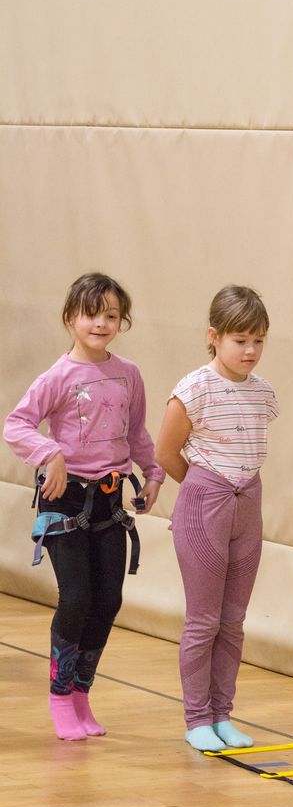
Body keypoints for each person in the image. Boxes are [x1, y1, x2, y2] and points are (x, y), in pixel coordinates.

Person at [4, 273, 164, 741]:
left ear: (122, 321)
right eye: (91, 314)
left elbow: (136, 433)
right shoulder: (57, 377)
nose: (101, 324)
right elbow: (17, 425)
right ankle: (59, 697)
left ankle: (81, 693)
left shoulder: (128, 374)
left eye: (111, 316)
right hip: (66, 499)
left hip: (110, 501)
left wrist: (153, 473)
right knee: (76, 597)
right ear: (71, 317)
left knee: (108, 600)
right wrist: (49, 454)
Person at [155, 285, 278, 752]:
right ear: (214, 336)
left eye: (258, 341)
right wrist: (202, 490)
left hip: (249, 504)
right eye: (240, 340)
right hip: (205, 502)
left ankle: (223, 714)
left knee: (233, 620)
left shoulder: (263, 393)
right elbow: (166, 452)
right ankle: (197, 719)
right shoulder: (194, 390)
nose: (250, 351)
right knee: (203, 620)